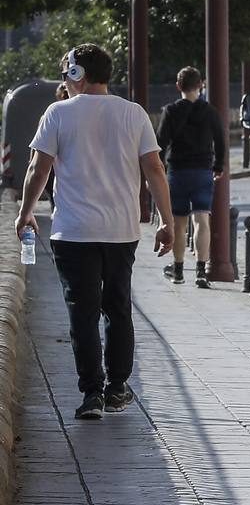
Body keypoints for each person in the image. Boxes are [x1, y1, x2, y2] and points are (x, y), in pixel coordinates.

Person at [15, 44, 174, 419]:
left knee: (81, 313)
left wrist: (25, 213)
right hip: (121, 230)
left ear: (76, 74)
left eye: (65, 72)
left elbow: (38, 170)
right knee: (118, 309)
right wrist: (167, 221)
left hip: (72, 232)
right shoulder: (133, 114)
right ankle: (118, 386)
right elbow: (154, 169)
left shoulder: (57, 113)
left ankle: (92, 394)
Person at [155, 66, 226, 287]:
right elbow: (221, 141)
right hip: (203, 170)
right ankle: (201, 270)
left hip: (178, 171)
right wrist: (218, 166)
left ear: (178, 86)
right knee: (202, 219)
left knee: (178, 222)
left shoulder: (171, 111)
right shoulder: (210, 112)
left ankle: (177, 269)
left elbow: (160, 143)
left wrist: (159, 168)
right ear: (200, 85)